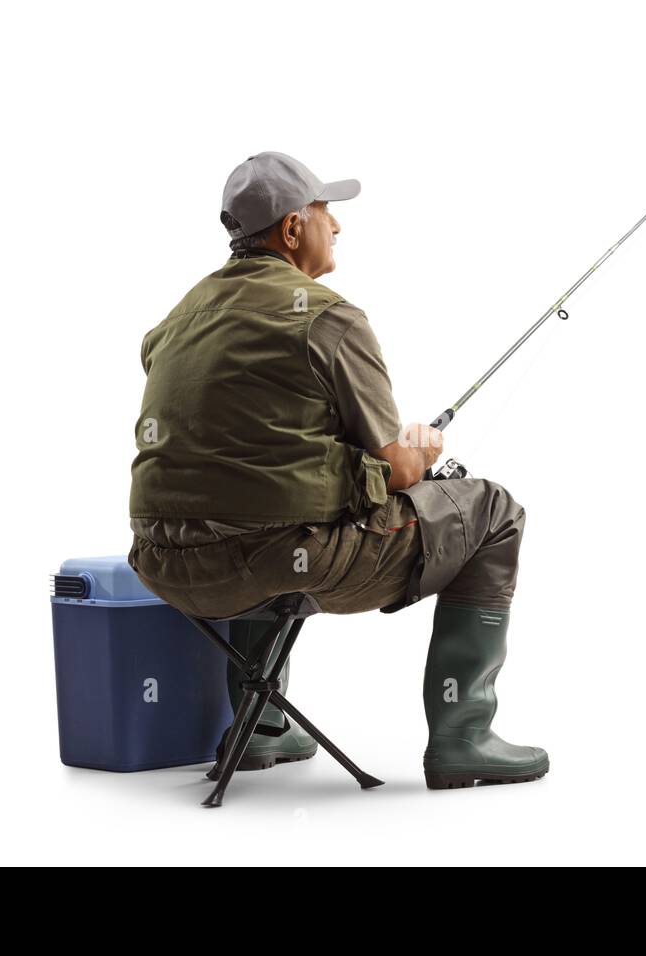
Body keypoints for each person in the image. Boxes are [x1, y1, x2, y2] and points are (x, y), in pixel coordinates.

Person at [127, 152, 547, 789]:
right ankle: (465, 737)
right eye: (325, 212)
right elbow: (398, 468)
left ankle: (261, 724)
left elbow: (234, 450)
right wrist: (423, 447)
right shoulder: (329, 318)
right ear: (292, 230)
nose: (338, 227)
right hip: (276, 558)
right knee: (493, 512)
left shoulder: (172, 324)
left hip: (167, 567)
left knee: (258, 514)